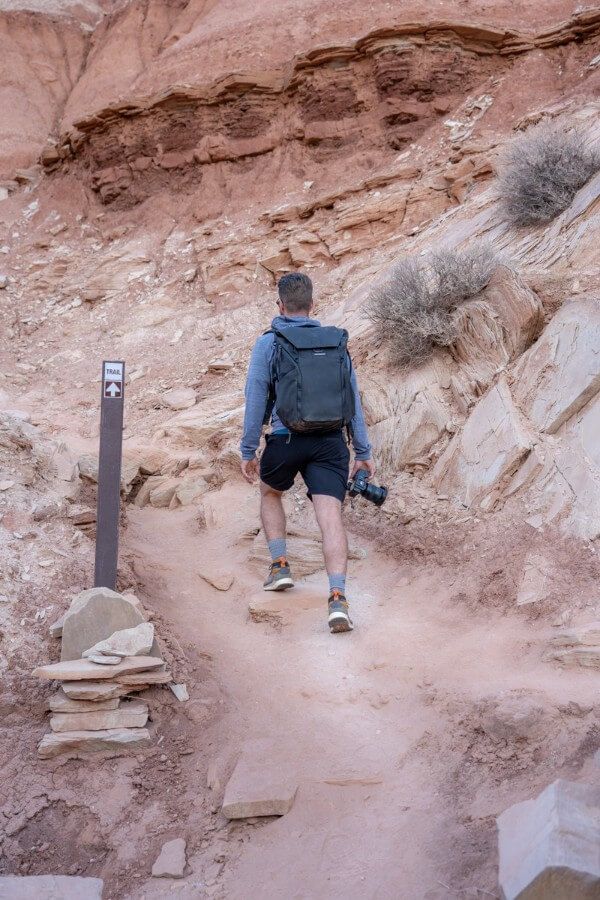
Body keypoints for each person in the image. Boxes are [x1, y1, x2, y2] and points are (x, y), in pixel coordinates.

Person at [240, 272, 374, 634]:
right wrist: (362, 451)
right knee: (330, 516)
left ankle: (280, 565)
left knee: (270, 492)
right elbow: (353, 401)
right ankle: (337, 599)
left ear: (279, 305)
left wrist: (248, 449)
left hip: (285, 440)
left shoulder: (269, 342)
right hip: (330, 442)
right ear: (313, 305)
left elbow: (255, 399)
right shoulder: (335, 342)